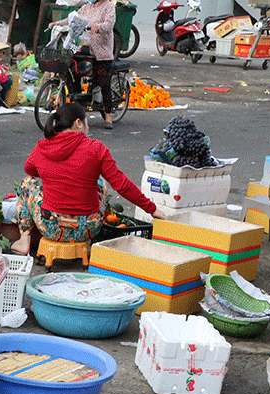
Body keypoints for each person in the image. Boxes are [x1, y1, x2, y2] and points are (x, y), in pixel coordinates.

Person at [11, 103, 166, 255]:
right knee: (101, 182)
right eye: (86, 123)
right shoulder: (96, 148)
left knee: (27, 183)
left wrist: (52, 174)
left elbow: (29, 169)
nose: (88, 128)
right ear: (78, 123)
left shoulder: (42, 147)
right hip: (89, 229)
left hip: (52, 228)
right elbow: (122, 185)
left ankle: (24, 239)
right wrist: (152, 209)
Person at [77, 0, 116, 128]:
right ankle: (79, 105)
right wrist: (58, 24)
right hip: (86, 49)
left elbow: (109, 25)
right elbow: (74, 19)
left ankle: (108, 115)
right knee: (73, 71)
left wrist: (99, 27)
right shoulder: (86, 7)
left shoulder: (109, 7)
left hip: (102, 52)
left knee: (104, 83)